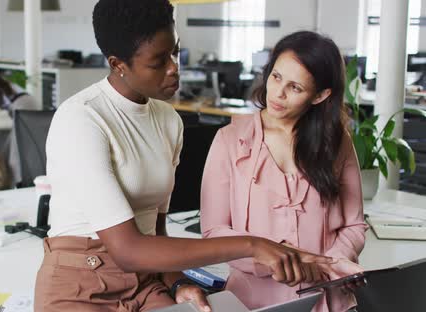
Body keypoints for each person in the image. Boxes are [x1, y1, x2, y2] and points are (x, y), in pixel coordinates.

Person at [34, 2, 334, 312]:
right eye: (158, 61)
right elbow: (127, 250)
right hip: (82, 284)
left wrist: (178, 282)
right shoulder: (82, 118)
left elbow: (156, 232)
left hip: (145, 282)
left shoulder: (168, 120)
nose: (174, 68)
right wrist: (254, 245)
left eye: (175, 52)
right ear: (118, 64)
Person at [200, 31, 368, 312]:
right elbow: (213, 232)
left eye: (295, 87)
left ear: (320, 95)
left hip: (327, 300)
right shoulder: (230, 140)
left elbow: (354, 225)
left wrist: (333, 262)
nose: (277, 93)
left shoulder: (337, 142)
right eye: (276, 77)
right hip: (251, 302)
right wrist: (273, 260)